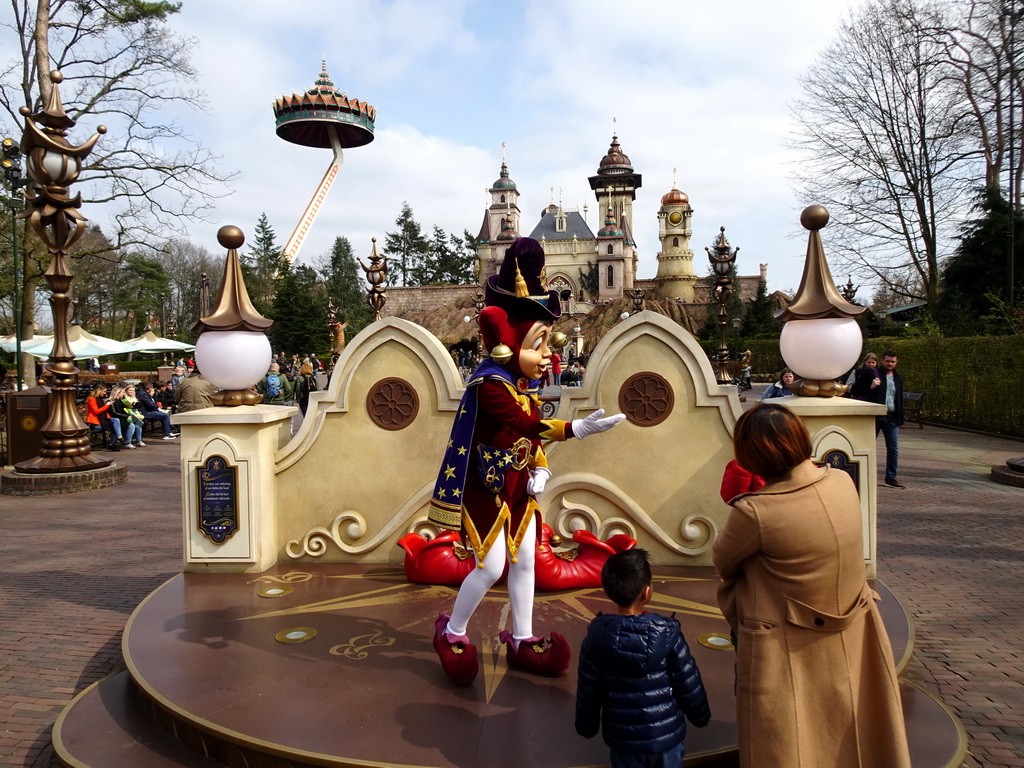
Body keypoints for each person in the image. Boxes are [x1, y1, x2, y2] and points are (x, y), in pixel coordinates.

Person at [428, 237, 625, 686]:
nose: (550, 356)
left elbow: (530, 439)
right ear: (506, 341)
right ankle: (452, 630)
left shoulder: (520, 383)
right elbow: (524, 424)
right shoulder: (491, 385)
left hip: (519, 492)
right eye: (539, 345)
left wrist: (540, 468)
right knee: (492, 566)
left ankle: (521, 636)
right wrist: (575, 429)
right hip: (487, 493)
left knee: (525, 564)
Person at [712, 403, 911, 768]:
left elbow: (723, 560)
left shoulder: (755, 511)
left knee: (789, 740)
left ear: (751, 455)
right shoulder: (840, 480)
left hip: (787, 640)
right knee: (845, 728)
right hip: (850, 626)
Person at [575, 548, 711, 767]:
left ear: (608, 591)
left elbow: (588, 689)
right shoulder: (668, 635)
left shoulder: (596, 639)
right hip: (666, 738)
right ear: (647, 591)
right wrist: (700, 716)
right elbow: (687, 681)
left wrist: (586, 726)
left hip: (624, 743)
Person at [869, 351, 906, 488]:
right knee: (868, 446)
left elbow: (899, 399)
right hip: (875, 416)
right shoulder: (873, 374)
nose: (890, 364)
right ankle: (867, 474)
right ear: (882, 361)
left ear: (896, 362)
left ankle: (891, 477)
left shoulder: (898, 378)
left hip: (891, 417)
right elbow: (859, 390)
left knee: (893, 448)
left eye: (893, 361)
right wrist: (871, 386)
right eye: (887, 361)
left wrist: (900, 419)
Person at [85, 384, 123, 451]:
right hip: (96, 422)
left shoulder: (100, 399)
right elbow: (96, 411)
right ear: (99, 391)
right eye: (104, 391)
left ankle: (117, 439)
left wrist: (107, 405)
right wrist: (106, 405)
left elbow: (105, 412)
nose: (105, 393)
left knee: (116, 421)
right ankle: (114, 442)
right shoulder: (92, 399)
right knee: (115, 426)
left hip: (103, 420)